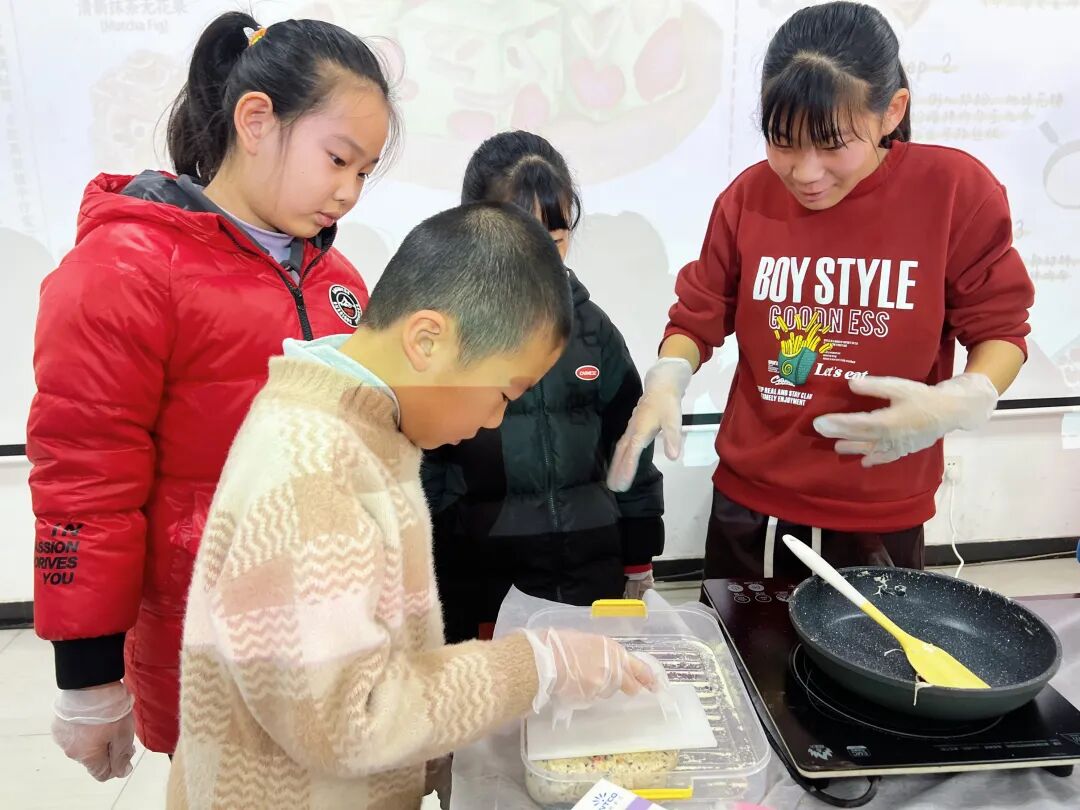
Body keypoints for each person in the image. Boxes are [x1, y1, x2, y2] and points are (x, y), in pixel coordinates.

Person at [166, 202, 658, 810]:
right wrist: (535, 665)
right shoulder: (310, 466)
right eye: (505, 393)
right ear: (427, 340)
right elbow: (349, 721)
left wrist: (433, 748)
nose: (495, 420)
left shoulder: (368, 428)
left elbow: (368, 652)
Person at [27, 11, 398, 778]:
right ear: (255, 121)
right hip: (212, 645)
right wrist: (88, 678)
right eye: (337, 160)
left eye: (364, 172)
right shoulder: (126, 267)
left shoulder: (338, 281)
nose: (349, 192)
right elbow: (86, 480)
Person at [607, 2, 1034, 579]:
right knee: (743, 638)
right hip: (752, 504)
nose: (805, 172)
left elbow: (1000, 329)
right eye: (782, 141)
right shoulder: (748, 197)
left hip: (879, 510)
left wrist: (964, 396)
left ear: (891, 112)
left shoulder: (954, 193)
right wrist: (668, 375)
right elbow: (698, 314)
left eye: (833, 144)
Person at [422, 131, 665, 644]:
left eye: (554, 242)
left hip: (590, 578)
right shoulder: (446, 336)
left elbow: (631, 446)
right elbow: (427, 474)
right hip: (486, 585)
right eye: (521, 241)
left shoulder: (592, 331)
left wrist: (639, 557)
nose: (541, 260)